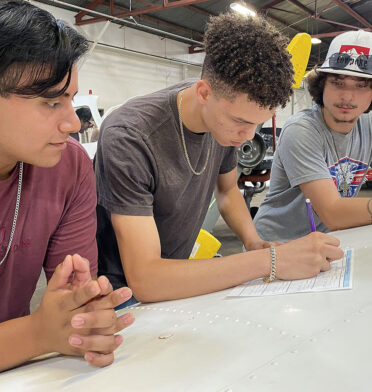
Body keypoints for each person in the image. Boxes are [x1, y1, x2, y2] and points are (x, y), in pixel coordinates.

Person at [95, 13, 344, 306]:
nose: (247, 135)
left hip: (178, 272)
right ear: (203, 93)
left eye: (258, 124)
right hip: (119, 293)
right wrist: (271, 260)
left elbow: (226, 190)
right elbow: (147, 280)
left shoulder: (222, 114)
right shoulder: (130, 136)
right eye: (240, 121)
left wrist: (253, 243)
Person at [0, 1, 134, 371]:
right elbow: (48, 331)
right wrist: (39, 334)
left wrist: (88, 319)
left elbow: (74, 307)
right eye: (50, 102)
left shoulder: (69, 164)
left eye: (70, 99)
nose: (73, 123)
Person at [254, 30, 372, 242]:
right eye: (338, 82)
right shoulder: (302, 129)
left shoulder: (368, 126)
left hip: (325, 243)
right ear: (322, 84)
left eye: (361, 86)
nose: (347, 96)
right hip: (276, 246)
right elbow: (333, 213)